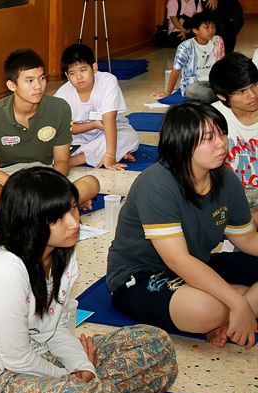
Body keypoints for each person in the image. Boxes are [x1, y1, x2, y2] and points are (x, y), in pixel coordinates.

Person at [0, 167, 177, 393]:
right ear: (29, 221)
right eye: (58, 218)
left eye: (73, 209)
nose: (74, 223)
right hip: (0, 380)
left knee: (155, 344)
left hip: (47, 359)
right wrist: (71, 379)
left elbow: (57, 330)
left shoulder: (63, 253)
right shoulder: (5, 270)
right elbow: (16, 359)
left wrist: (84, 368)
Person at [107, 101, 258, 349]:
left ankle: (230, 315)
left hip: (198, 263)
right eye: (209, 138)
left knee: (221, 303)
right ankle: (234, 306)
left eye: (222, 133)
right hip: (142, 275)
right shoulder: (157, 185)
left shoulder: (225, 178)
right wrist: (238, 302)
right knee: (208, 309)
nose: (222, 143)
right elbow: (178, 260)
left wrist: (238, 302)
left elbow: (248, 239)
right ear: (182, 143)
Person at [0, 48, 100, 218]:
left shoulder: (60, 108)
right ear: (12, 85)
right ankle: (57, 206)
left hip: (44, 175)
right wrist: (25, 190)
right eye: (30, 80)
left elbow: (62, 161)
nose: (38, 86)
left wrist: (47, 185)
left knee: (91, 184)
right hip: (5, 178)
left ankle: (16, 212)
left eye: (42, 78)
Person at [54, 43, 139, 171]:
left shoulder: (108, 81)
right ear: (67, 76)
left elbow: (109, 120)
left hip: (110, 130)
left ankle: (73, 160)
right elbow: (64, 129)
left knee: (131, 137)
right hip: (78, 137)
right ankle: (115, 153)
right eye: (72, 73)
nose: (79, 77)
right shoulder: (62, 94)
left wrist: (110, 155)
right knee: (52, 140)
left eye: (83, 70)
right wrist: (93, 125)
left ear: (94, 68)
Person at [210, 53, 258, 227]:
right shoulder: (213, 118)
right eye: (242, 91)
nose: (252, 95)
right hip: (228, 194)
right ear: (222, 96)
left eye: (254, 85)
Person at [152, 10, 224, 103]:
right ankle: (222, 95)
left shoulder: (218, 40)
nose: (211, 30)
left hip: (214, 82)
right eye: (206, 27)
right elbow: (176, 69)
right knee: (193, 91)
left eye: (213, 27)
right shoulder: (186, 46)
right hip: (195, 84)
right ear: (195, 30)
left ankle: (222, 94)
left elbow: (222, 65)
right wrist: (168, 92)